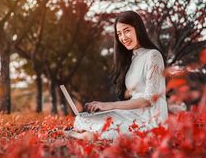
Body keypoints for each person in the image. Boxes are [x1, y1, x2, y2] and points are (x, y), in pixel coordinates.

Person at [69, 10, 168, 140]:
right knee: (83, 118)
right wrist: (106, 110)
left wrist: (109, 105)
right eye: (119, 34)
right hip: (133, 113)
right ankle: (89, 134)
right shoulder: (132, 59)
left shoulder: (153, 55)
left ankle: (89, 135)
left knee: (110, 127)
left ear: (138, 29)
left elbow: (148, 100)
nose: (123, 37)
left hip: (152, 118)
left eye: (127, 30)